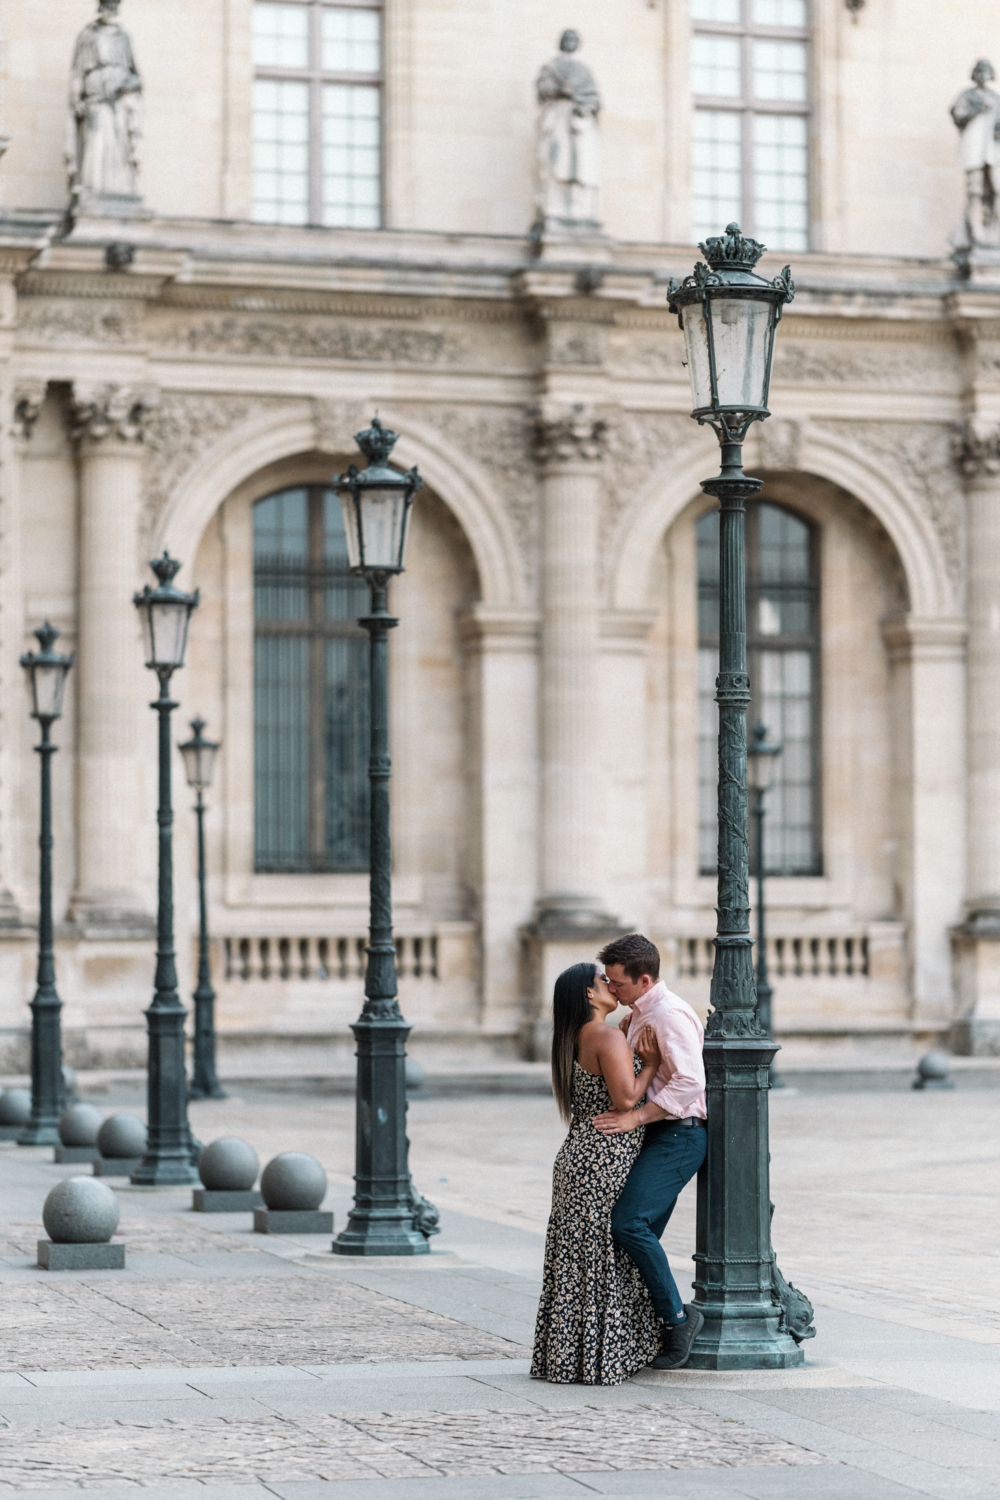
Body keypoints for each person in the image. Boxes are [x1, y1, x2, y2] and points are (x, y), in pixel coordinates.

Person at [531, 961, 662, 1384]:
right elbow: (625, 1100)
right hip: (605, 1155)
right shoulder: (605, 1036)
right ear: (588, 994)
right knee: (603, 1255)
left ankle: (571, 1357)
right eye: (603, 981)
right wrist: (653, 1064)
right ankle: (606, 1355)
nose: (612, 984)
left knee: (577, 1258)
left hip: (578, 1155)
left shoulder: (575, 1037)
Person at [593, 934, 707, 1371]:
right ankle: (647, 1328)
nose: (612, 989)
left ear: (643, 979)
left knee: (629, 1225)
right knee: (638, 1236)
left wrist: (635, 1118)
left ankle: (680, 1319)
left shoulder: (669, 1014)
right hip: (661, 1135)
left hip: (680, 1135)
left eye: (618, 983)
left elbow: (690, 1082)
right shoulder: (638, 1015)